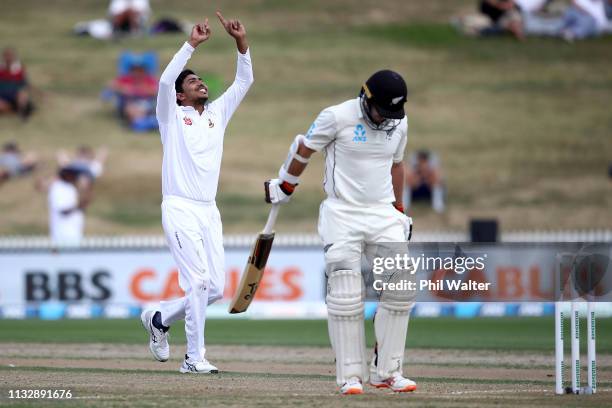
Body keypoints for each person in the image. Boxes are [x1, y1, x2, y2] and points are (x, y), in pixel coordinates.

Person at [264, 70, 415, 394]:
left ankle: (387, 371)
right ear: (365, 98)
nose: (386, 120)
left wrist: (399, 209)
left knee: (402, 287)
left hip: (382, 211)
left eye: (392, 114)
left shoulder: (398, 122)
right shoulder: (336, 116)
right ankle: (350, 376)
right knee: (346, 294)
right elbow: (305, 149)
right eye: (381, 112)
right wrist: (286, 184)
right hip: (342, 212)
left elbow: (397, 165)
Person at [140, 12, 253, 374]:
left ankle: (159, 317)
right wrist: (191, 45)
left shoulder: (217, 113)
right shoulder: (170, 115)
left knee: (215, 288)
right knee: (199, 282)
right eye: (192, 81)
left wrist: (240, 42)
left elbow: (244, 81)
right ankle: (193, 358)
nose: (200, 82)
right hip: (179, 207)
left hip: (209, 210)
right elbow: (162, 82)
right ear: (180, 94)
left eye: (201, 79)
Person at [48, 166, 93, 246]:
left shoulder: (70, 188)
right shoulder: (58, 188)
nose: (76, 176)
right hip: (63, 235)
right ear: (68, 175)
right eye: (74, 174)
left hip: (73, 233)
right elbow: (63, 210)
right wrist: (79, 206)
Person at [110, 61, 158, 130]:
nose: (137, 73)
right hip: (129, 102)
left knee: (142, 108)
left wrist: (141, 90)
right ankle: (141, 124)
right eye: (135, 70)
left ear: (144, 71)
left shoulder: (149, 79)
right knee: (131, 108)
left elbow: (156, 91)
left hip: (145, 103)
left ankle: (140, 124)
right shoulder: (126, 79)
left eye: (140, 70)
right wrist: (123, 89)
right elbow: (112, 85)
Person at [0, 47, 34, 120]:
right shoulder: (1, 69)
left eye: (10, 55)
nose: (8, 58)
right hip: (2, 97)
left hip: (15, 96)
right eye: (6, 55)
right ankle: (13, 109)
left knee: (22, 95)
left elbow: (25, 84)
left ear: (14, 57)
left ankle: (22, 113)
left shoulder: (19, 69)